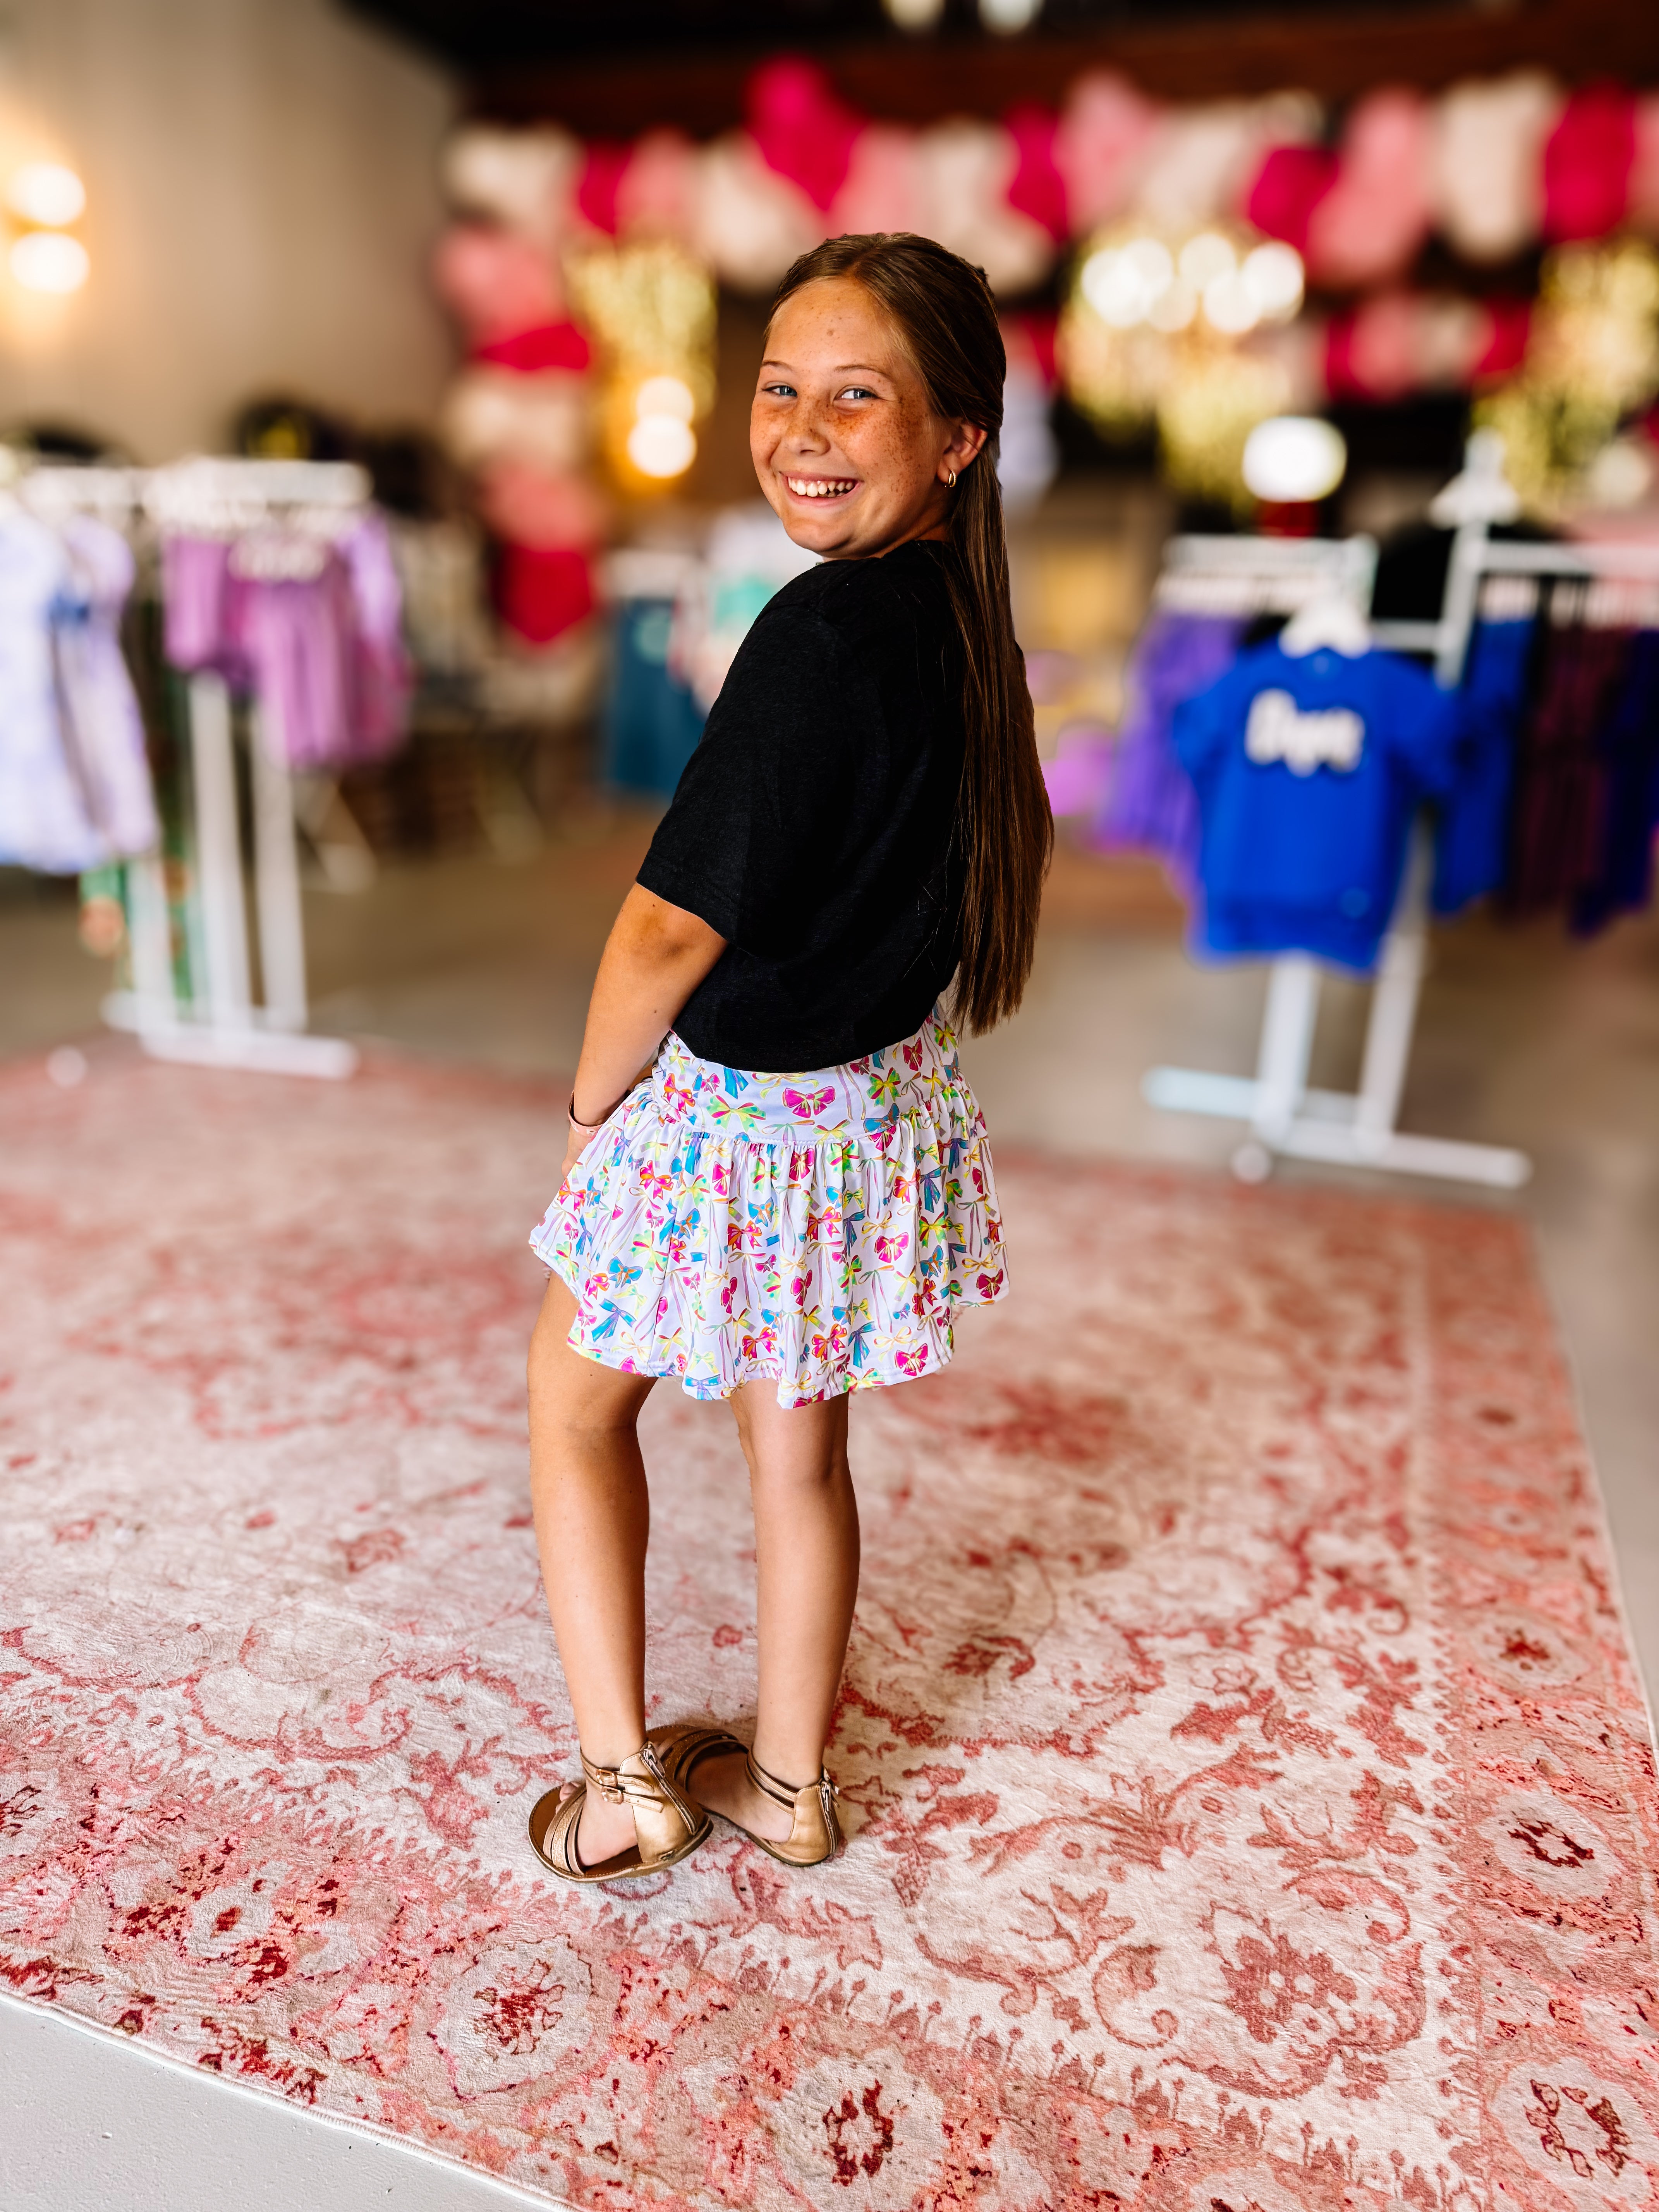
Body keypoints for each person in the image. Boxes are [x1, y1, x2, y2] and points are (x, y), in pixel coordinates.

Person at [523, 232, 1052, 1883]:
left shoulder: (820, 631)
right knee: (800, 1448)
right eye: (778, 388)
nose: (802, 432)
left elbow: (664, 933)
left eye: (856, 397)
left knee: (571, 1411)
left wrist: (591, 1112)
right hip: (864, 1109)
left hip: (738, 1118)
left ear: (957, 436)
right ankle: (790, 1789)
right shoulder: (962, 625)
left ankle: (623, 1793)